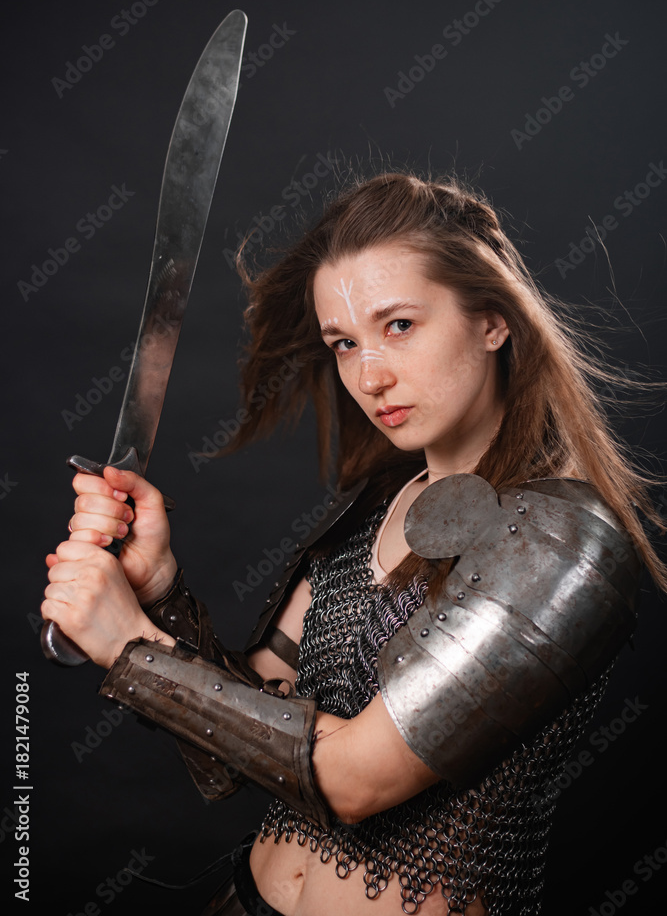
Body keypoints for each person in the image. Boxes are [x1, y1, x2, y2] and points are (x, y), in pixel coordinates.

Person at [42, 172, 665, 916]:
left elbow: (351, 781)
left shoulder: (562, 544)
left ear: (492, 320)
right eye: (343, 343)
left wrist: (131, 648)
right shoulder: (377, 504)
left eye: (398, 325)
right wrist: (162, 595)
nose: (368, 376)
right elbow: (246, 740)